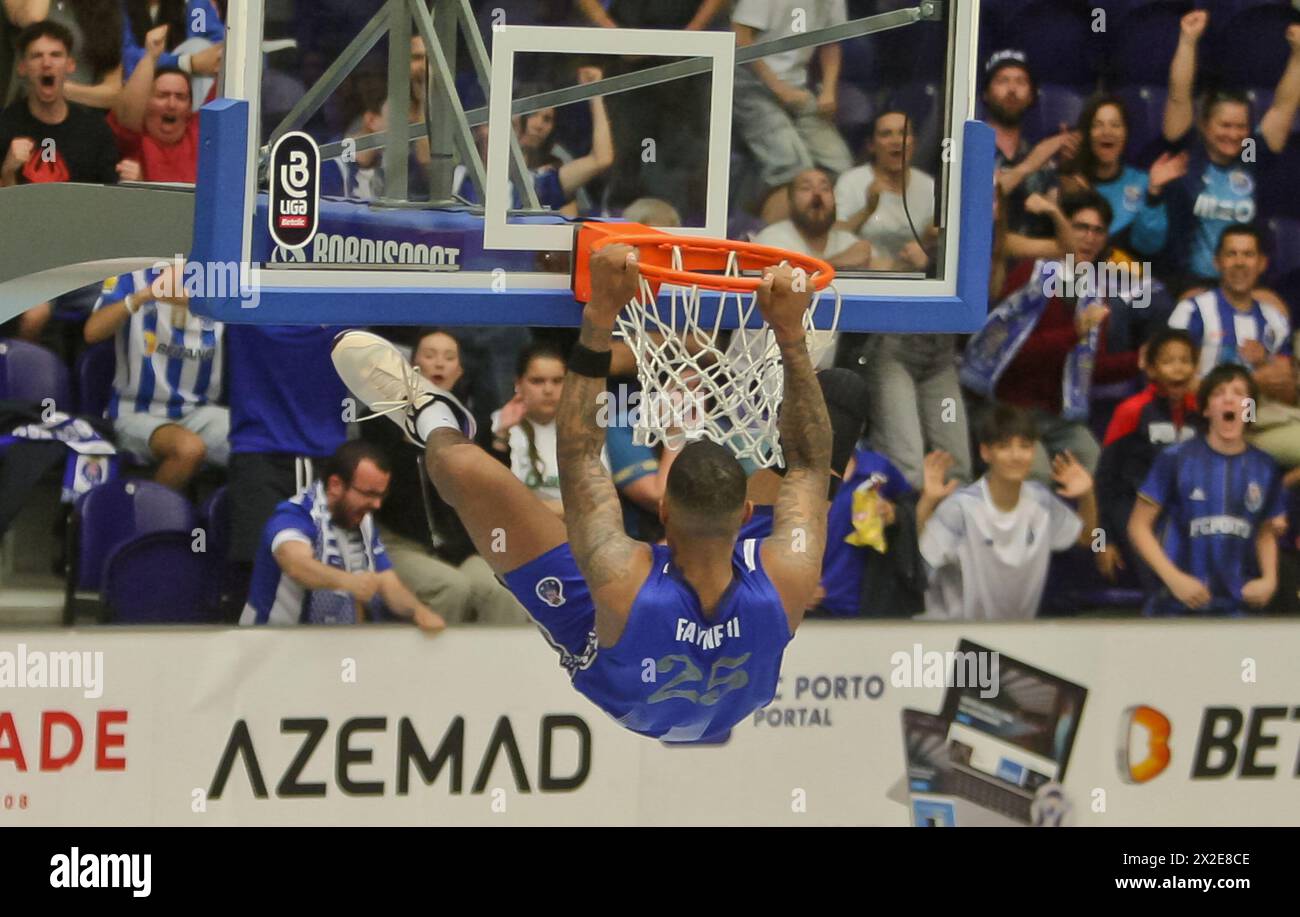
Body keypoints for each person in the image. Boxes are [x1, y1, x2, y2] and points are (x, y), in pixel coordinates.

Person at [331, 252, 832, 743]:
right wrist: (790, 335)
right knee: (843, 396)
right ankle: (442, 416)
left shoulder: (621, 576)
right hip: (725, 692)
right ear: (746, 516)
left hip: (614, 660)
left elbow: (581, 458)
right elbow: (811, 464)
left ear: (661, 512)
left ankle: (430, 415)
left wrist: (599, 316)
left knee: (459, 466)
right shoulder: (788, 568)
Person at [962, 192, 1141, 481]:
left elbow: (1087, 369)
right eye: (1080, 227)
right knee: (1037, 475)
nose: (1089, 238)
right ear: (1063, 229)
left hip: (1058, 415)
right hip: (1008, 407)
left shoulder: (1094, 290)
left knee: (1094, 465)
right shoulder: (1030, 276)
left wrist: (1138, 361)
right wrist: (1074, 333)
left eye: (1098, 230)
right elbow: (1012, 355)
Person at [363, 329, 528, 625]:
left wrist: (500, 437)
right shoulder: (380, 419)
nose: (439, 363)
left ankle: (496, 670)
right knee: (452, 588)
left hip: (459, 547)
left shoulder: (469, 424)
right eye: (430, 355)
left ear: (459, 370)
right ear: (412, 367)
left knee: (502, 590)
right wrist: (407, 425)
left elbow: (490, 491)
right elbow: (389, 492)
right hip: (402, 542)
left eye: (449, 357)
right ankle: (435, 671)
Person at [1128, 364, 1285, 616]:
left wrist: (1269, 579)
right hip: (1176, 607)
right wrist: (1174, 579)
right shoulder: (1176, 458)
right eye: (1219, 392)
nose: (1229, 399)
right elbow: (1138, 526)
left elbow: (1266, 531)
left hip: (1238, 610)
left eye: (1238, 393)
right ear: (1206, 408)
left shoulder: (1265, 466)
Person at [239, 440, 446, 631]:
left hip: (334, 645)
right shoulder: (294, 515)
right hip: (272, 644)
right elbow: (296, 565)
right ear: (336, 485)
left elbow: (386, 581)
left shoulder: (362, 520)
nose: (376, 505)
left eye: (380, 495)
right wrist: (350, 583)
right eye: (368, 494)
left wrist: (418, 611)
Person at [917, 404, 1098, 620]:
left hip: (1015, 634)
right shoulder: (962, 507)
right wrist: (927, 503)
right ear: (985, 452)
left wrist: (1087, 496)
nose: (1016, 456)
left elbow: (1090, 539)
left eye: (1025, 446)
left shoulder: (1041, 501)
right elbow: (926, 551)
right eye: (1004, 447)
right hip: (956, 636)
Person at [1161, 11, 1300, 291]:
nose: (1233, 134)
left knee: (1280, 314)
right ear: (1204, 124)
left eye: (1241, 127)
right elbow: (1179, 95)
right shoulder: (1189, 153)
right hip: (1192, 282)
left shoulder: (1251, 154)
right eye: (1225, 125)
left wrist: (1298, 56)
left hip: (1245, 284)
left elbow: (1283, 107)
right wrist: (1188, 41)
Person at [83, 264, 226, 491]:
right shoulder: (131, 274)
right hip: (135, 411)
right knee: (188, 449)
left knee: (259, 442)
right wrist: (143, 297)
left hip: (199, 411)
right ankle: (148, 521)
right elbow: (92, 332)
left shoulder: (221, 276)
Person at [1168, 224, 1300, 468]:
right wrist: (1252, 380)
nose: (1240, 262)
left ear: (1262, 264)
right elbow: (1173, 382)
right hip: (1202, 420)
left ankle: (1280, 491)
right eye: (1232, 254)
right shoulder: (1191, 312)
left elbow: (1290, 394)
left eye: (1248, 255)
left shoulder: (1275, 320)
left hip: (1258, 420)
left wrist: (1268, 365)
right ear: (1217, 262)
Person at [576, 0, 723, 219]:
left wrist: (690, 35)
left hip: (686, 61)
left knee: (680, 161)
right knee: (625, 155)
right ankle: (620, 231)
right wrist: (613, 33)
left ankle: (672, 235)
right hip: (627, 57)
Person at [1094, 327, 1201, 585]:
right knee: (1160, 575)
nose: (1178, 369)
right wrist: (1102, 542)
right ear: (1151, 370)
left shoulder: (1201, 411)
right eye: (1168, 361)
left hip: (1183, 508)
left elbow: (1245, 421)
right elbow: (1105, 478)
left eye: (1185, 361)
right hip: (1133, 507)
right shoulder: (1131, 411)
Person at [732, 0, 853, 224]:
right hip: (751, 83)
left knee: (840, 165)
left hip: (798, 87)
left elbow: (831, 42)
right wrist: (779, 88)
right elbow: (740, 35)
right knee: (794, 169)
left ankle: (825, 238)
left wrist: (828, 90)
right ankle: (777, 241)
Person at [754, 166, 873, 369]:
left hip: (823, 369)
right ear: (790, 202)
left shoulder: (847, 241)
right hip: (765, 368)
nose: (817, 194)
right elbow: (795, 282)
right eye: (806, 188)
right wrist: (837, 264)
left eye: (825, 189)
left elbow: (891, 271)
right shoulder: (771, 239)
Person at [1058, 93, 1186, 259]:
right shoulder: (1072, 182)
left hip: (1125, 278)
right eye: (1098, 125)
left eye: (1115, 125)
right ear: (1087, 134)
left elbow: (1149, 246)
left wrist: (1153, 193)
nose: (1107, 132)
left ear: (1126, 133)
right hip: (1077, 278)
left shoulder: (1143, 181)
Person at [983, 49, 1079, 238]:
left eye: (1021, 82)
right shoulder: (970, 149)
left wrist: (1067, 171)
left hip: (1032, 264)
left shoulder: (1041, 159)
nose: (1012, 89)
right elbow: (974, 209)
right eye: (1002, 81)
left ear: (1031, 97)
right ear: (985, 94)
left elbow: (1061, 226)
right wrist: (1028, 166)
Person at [834, 110, 936, 272]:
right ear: (871, 146)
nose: (896, 141)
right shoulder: (851, 181)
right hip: (862, 277)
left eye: (903, 133)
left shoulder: (929, 186)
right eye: (886, 134)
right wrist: (867, 210)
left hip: (913, 279)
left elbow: (933, 239)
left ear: (914, 143)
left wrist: (928, 242)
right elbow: (834, 236)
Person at [107, 25, 198, 182]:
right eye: (162, 95)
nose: (171, 104)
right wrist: (151, 56)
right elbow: (128, 113)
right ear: (145, 103)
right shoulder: (133, 140)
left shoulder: (200, 133)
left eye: (180, 97)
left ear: (190, 108)